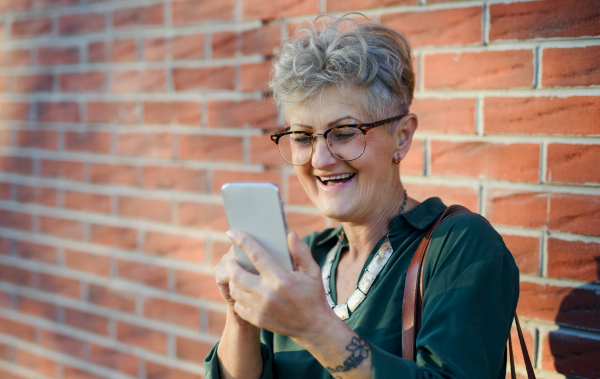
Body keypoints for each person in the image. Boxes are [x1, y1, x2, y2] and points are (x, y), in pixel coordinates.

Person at [204, 14, 519, 379]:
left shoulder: (460, 246)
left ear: (402, 137)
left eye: (344, 132)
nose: (320, 159)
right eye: (303, 136)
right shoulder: (303, 261)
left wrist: (316, 329)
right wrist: (241, 312)